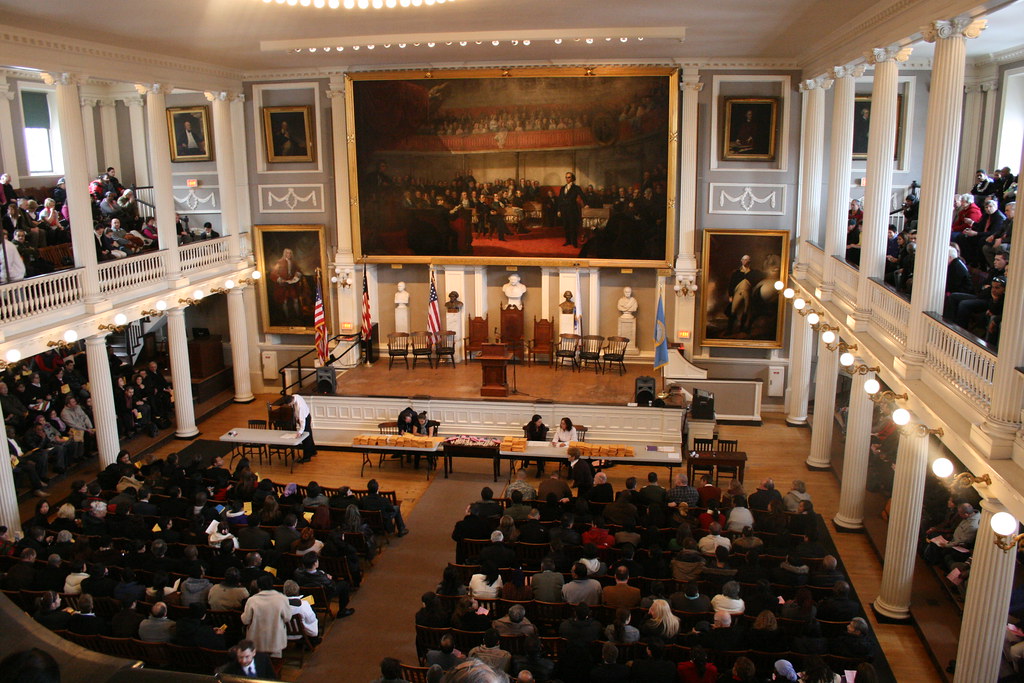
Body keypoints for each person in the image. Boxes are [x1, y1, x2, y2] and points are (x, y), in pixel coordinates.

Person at [241, 574, 291, 658]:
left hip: (256, 639)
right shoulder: (282, 598)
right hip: (275, 638)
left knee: (258, 664)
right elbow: (287, 617)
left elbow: (245, 620)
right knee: (275, 663)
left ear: (258, 586)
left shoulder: (252, 600)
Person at [270, 247, 306, 322]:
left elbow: (299, 271)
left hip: (292, 284)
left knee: (295, 300)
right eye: (287, 253)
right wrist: (280, 279)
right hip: (283, 285)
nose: (288, 254)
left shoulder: (294, 262)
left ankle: (298, 316)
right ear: (284, 254)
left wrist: (296, 276)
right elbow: (273, 273)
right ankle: (287, 318)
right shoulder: (279, 262)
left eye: (290, 253)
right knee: (284, 301)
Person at [555, 171, 585, 248]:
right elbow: (560, 200)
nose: (567, 179)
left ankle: (574, 242)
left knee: (573, 226)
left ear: (572, 178)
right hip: (564, 210)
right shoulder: (562, 188)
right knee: (566, 226)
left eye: (569, 177)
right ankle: (568, 241)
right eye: (566, 177)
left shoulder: (576, 188)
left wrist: (586, 204)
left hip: (572, 210)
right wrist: (559, 210)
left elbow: (583, 196)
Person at [290, 393, 316, 463]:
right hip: (306, 416)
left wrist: (300, 432)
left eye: (290, 404)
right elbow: (296, 412)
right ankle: (313, 451)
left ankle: (307, 457)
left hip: (305, 418)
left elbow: (302, 421)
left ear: (292, 401)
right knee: (309, 435)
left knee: (305, 438)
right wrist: (296, 418)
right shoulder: (295, 396)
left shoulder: (300, 406)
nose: (290, 405)